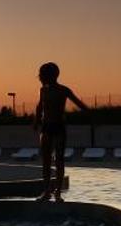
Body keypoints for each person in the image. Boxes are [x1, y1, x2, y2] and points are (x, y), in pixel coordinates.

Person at [34, 62, 88, 202]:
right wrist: (36, 120)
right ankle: (46, 191)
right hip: (46, 127)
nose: (39, 77)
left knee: (59, 160)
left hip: (58, 127)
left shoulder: (63, 90)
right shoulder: (42, 90)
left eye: (41, 74)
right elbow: (40, 106)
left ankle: (58, 192)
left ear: (50, 75)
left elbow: (78, 103)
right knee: (46, 161)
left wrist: (91, 115)